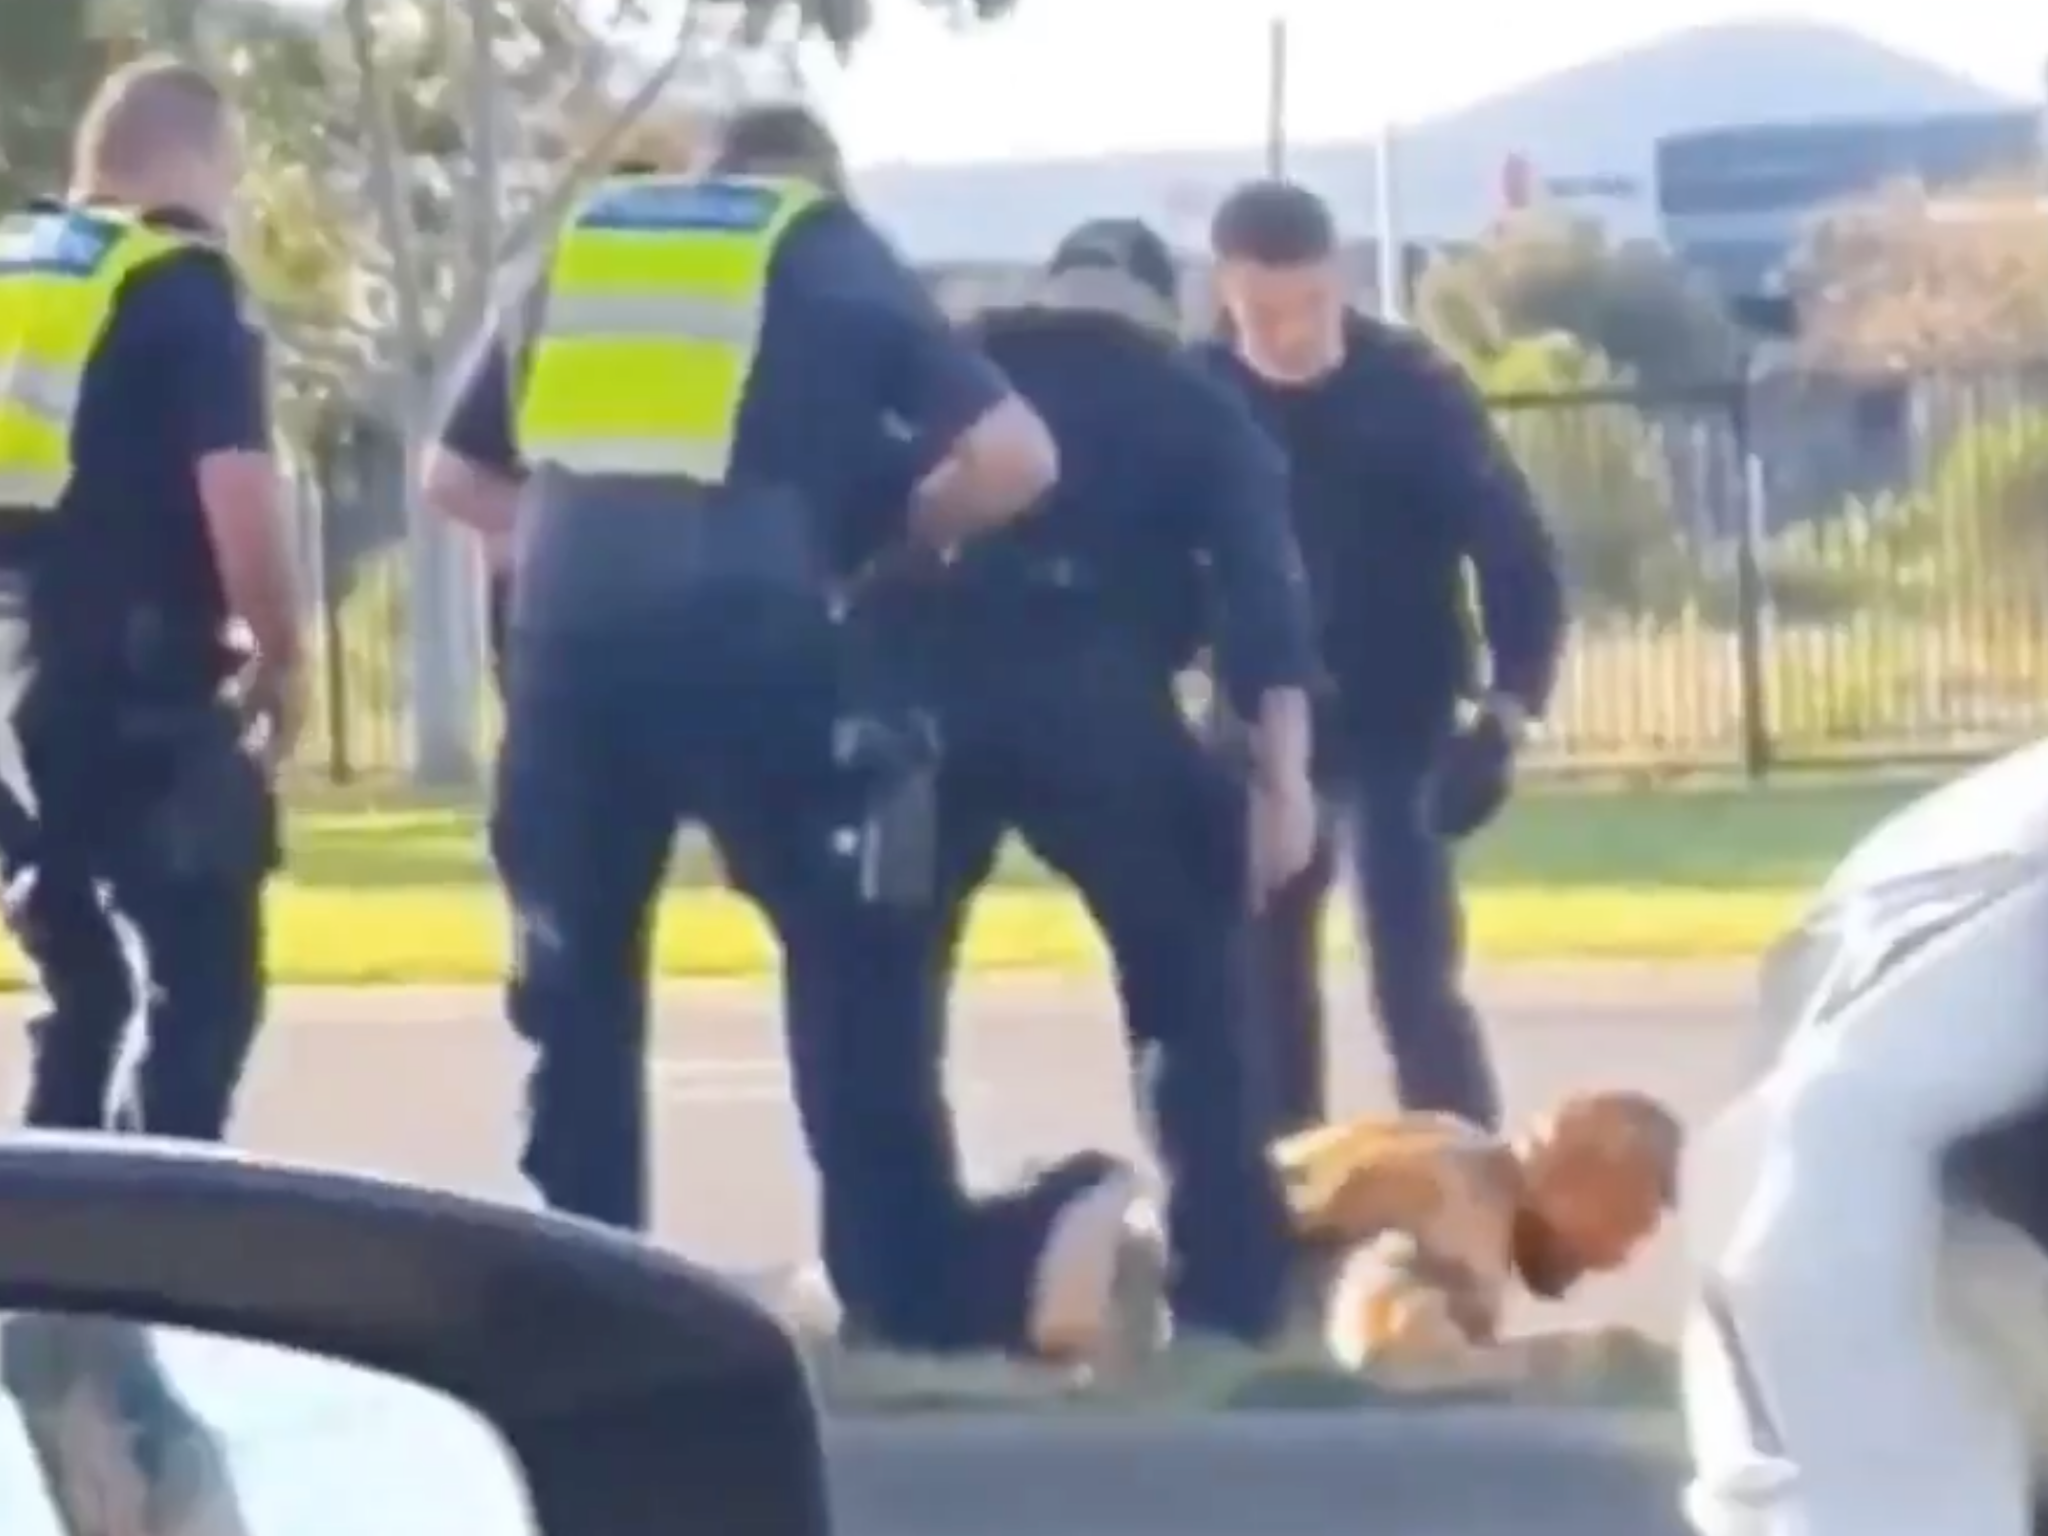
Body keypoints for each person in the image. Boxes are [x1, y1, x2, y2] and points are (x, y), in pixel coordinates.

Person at [422, 102, 1056, 1235]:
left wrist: (577, 535)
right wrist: (901, 536)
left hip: (570, 661)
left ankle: (585, 1283)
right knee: (847, 956)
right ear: (815, 180)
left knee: (577, 996)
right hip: (750, 640)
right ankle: (894, 1290)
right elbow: (1014, 455)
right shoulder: (815, 240)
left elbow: (452, 476)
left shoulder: (590, 241)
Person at [811, 220, 1322, 1368]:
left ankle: (899, 1297)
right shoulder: (1188, 400)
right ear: (1156, 303)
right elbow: (1261, 597)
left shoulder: (954, 366)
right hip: (1092, 700)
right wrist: (1280, 776)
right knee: (1187, 988)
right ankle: (1229, 1297)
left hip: (917, 701)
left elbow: (843, 529)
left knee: (880, 1004)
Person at [1195, 179, 1566, 1138]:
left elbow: (1517, 552)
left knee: (1414, 981)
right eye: (1264, 312)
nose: (1289, 334)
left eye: (1311, 305)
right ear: (1225, 291)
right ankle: (1283, 1225)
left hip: (1402, 719)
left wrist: (1507, 715)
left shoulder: (1415, 388)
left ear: (1342, 277)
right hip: (1259, 731)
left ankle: (1471, 1198)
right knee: (1264, 1000)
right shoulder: (1195, 398)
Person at [0, 57, 298, 1141]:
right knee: (204, 988)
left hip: (10, 706)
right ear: (201, 159)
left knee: (82, 990)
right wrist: (280, 653)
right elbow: (238, 490)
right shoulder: (180, 283)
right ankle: (160, 1256)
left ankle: (43, 1269)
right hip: (132, 691)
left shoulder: (15, 271)